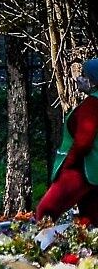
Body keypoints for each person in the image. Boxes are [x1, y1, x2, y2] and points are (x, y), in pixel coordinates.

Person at [36, 59, 98, 226]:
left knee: (46, 212)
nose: (79, 79)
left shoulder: (92, 105)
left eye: (84, 76)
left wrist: (69, 165)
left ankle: (37, 249)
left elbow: (83, 142)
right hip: (94, 173)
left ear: (93, 81)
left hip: (82, 169)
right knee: (89, 220)